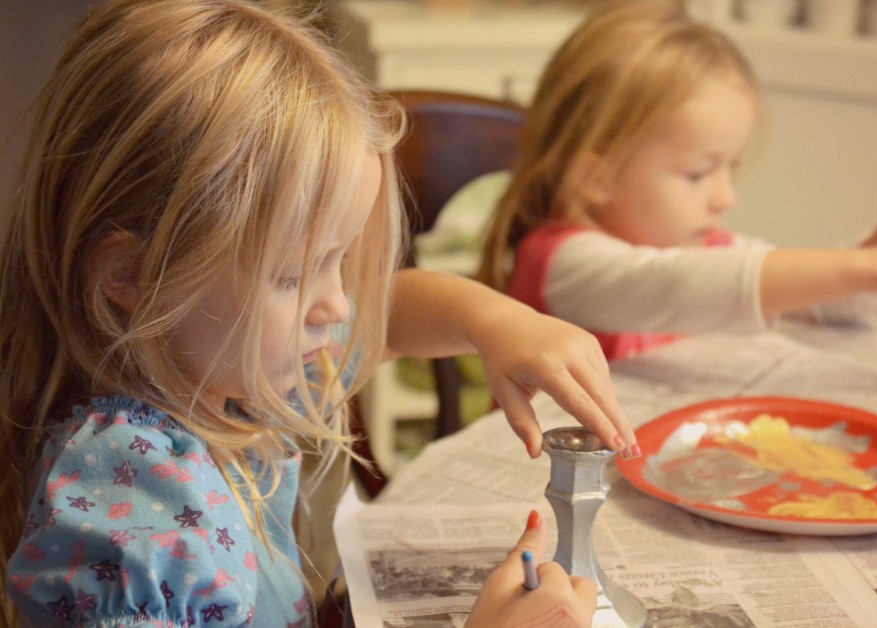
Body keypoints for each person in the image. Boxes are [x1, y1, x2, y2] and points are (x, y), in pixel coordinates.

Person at [0, 1, 638, 625]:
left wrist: (493, 321)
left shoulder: (220, 373)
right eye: (292, 275)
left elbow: (384, 318)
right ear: (134, 275)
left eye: (339, 259)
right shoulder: (133, 513)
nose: (335, 303)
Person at [477, 0, 877, 361]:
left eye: (730, 168)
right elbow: (682, 287)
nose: (726, 197)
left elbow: (816, 299)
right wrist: (871, 265)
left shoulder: (703, 243)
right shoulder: (565, 265)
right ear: (597, 179)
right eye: (700, 173)